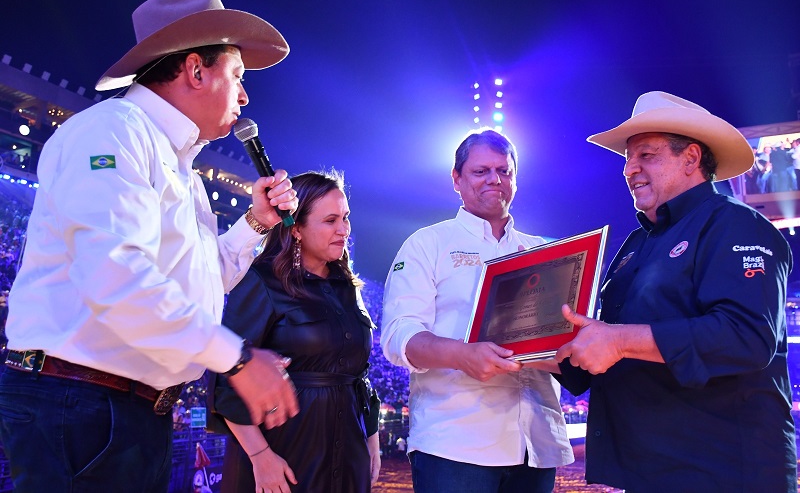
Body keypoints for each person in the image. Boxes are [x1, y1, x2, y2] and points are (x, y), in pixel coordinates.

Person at [0, 0, 301, 492]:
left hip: (123, 407)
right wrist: (240, 359)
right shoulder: (111, 134)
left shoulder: (179, 165)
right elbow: (115, 275)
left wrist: (257, 223)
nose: (245, 96)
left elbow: (202, 283)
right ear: (195, 70)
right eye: (238, 78)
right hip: (79, 401)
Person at [554, 91, 797, 492]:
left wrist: (617, 341)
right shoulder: (636, 244)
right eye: (628, 158)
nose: (629, 169)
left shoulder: (737, 226)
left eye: (646, 155)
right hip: (650, 469)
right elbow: (604, 348)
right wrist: (519, 351)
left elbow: (747, 336)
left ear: (691, 159)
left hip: (724, 472)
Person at [381, 128, 573, 493]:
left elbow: (566, 339)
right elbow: (398, 335)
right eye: (480, 171)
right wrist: (463, 355)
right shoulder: (428, 243)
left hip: (536, 445)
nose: (494, 180)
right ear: (456, 179)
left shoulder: (544, 252)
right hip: (456, 443)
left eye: (504, 171)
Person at [211, 170, 381, 493]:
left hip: (348, 456)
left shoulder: (349, 287)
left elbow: (360, 373)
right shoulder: (260, 280)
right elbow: (227, 379)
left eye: (345, 218)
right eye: (330, 220)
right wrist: (261, 457)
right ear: (297, 228)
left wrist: (370, 437)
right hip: (283, 457)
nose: (343, 229)